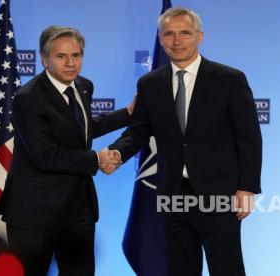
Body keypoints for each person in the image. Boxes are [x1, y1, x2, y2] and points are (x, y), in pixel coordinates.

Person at [103, 7, 262, 276]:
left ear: (199, 36)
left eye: (184, 33)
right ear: (161, 38)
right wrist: (118, 152)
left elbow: (249, 137)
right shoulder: (150, 83)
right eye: (170, 34)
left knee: (227, 268)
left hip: (220, 193)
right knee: (180, 269)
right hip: (172, 192)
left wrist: (247, 188)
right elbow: (140, 130)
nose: (177, 41)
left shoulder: (229, 79)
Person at [0, 25, 133, 276]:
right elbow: (45, 155)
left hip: (79, 210)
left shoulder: (83, 86)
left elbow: (82, 129)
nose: (71, 63)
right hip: (36, 215)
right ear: (45, 59)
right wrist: (96, 158)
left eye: (76, 55)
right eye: (61, 56)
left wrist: (127, 114)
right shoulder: (28, 98)